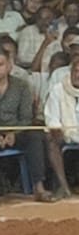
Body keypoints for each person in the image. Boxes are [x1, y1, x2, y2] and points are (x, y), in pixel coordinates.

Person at [0, 50, 50, 205]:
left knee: (35, 135)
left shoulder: (21, 86)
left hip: (16, 130)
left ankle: (39, 187)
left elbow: (26, 117)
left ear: (9, 66)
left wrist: (14, 132)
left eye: (0, 65)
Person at [45, 57, 79, 197]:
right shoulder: (58, 89)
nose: (78, 75)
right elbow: (52, 117)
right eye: (76, 71)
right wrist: (57, 130)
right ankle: (63, 187)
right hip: (65, 134)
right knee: (51, 140)